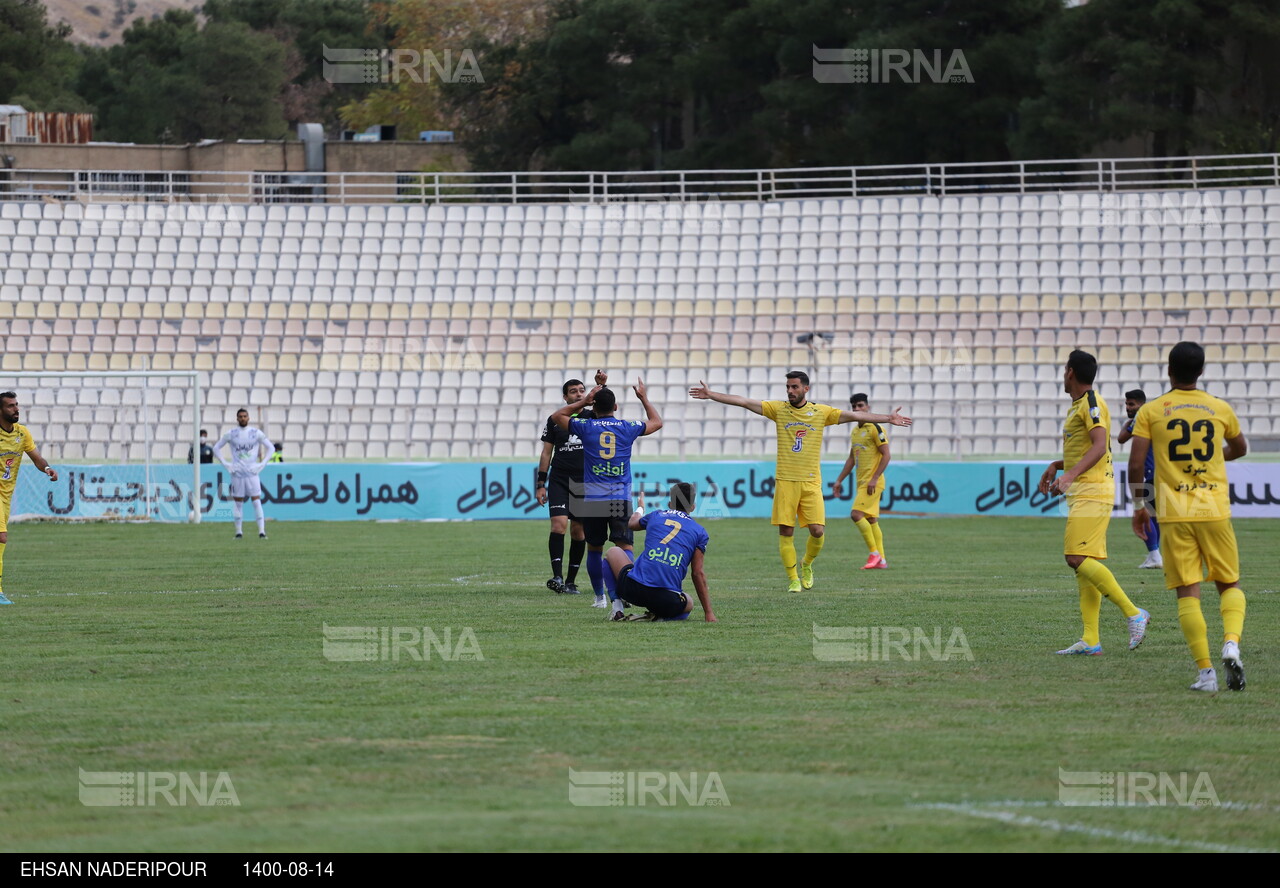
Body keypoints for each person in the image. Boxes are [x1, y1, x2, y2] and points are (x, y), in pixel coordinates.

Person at [690, 371, 911, 593]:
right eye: (788, 387)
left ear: (806, 388)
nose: (790, 391)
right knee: (786, 531)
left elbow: (855, 416)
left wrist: (888, 418)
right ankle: (793, 579)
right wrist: (711, 394)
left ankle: (807, 564)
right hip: (786, 481)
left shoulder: (821, 412)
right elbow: (744, 402)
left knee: (817, 531)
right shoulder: (778, 409)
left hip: (811, 482)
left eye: (794, 387)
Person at [1127, 342, 1249, 693]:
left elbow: (1136, 464)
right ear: (1202, 371)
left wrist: (1139, 507)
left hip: (1174, 512)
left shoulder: (1152, 411)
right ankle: (1231, 643)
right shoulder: (1218, 408)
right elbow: (1240, 448)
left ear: (1169, 370)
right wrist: (1213, 459)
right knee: (1229, 583)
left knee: (1188, 592)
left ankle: (1207, 674)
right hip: (1213, 510)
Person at [1037, 349, 1149, 655]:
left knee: (1075, 556)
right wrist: (1058, 465)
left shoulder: (1091, 403)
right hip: (1086, 489)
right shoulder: (1079, 406)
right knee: (1086, 564)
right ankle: (1090, 639)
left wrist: (1070, 474)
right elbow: (1086, 449)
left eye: (1064, 370)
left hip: (1093, 490)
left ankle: (1133, 613)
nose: (1063, 374)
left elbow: (1100, 446)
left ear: (1070, 372)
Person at [552, 379, 662, 618]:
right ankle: (625, 592)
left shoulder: (586, 426)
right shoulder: (627, 426)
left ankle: (601, 598)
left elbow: (556, 417)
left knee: (594, 549)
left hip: (592, 497)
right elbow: (657, 423)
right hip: (619, 497)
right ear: (616, 407)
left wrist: (583, 400)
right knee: (625, 547)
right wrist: (643, 397)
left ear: (594, 407)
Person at [536, 372, 605, 602]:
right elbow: (547, 452)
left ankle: (571, 581)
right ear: (565, 397)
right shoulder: (555, 419)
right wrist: (540, 483)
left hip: (585, 480)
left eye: (581, 390)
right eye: (573, 391)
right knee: (558, 525)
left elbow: (606, 404)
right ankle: (556, 577)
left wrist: (600, 386)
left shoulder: (592, 416)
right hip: (559, 479)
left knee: (579, 531)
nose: (578, 394)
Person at [604, 484, 716, 623]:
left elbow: (632, 524)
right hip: (666, 599)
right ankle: (660, 616)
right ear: (693, 506)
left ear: (670, 503)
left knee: (612, 551)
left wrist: (640, 507)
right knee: (689, 603)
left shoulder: (657, 515)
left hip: (634, 589)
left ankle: (617, 607)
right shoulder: (700, 532)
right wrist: (709, 613)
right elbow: (697, 573)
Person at [0, 392, 59, 605]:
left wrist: (47, 468)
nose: (16, 409)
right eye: (10, 406)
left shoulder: (22, 433)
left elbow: (36, 458)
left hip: (6, 495)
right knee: (1, 536)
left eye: (16, 405)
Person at [831, 392, 891, 569]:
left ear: (868, 407)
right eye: (854, 407)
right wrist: (839, 480)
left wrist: (874, 478)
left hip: (873, 483)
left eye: (861, 406)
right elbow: (851, 459)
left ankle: (874, 554)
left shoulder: (876, 428)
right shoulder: (855, 431)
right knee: (871, 520)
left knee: (856, 514)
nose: (857, 409)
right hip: (862, 482)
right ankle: (882, 561)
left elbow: (886, 455)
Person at [213, 408, 275, 540]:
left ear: (248, 418)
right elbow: (216, 448)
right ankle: (238, 532)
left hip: (252, 472)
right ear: (237, 418)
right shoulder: (231, 433)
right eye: (240, 416)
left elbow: (271, 447)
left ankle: (262, 532)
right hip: (237, 473)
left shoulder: (256, 432)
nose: (243, 418)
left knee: (256, 500)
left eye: (245, 416)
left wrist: (262, 464)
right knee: (238, 502)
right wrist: (226, 464)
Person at [1117, 388, 1161, 569]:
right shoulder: (1152, 416)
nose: (1128, 407)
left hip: (1151, 474)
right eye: (1126, 404)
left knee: (1147, 514)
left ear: (1141, 404)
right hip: (1163, 474)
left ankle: (1155, 555)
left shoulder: (1142, 418)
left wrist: (1134, 418)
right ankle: (1155, 554)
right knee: (1155, 516)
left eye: (1131, 404)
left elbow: (1121, 438)